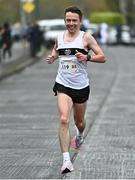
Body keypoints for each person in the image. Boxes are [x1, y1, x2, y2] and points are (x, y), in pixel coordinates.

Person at [46, 6, 106, 174]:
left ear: (80, 21)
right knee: (64, 119)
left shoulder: (86, 37)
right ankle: (66, 160)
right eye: (68, 20)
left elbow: (102, 57)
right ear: (64, 21)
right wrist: (53, 56)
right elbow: (57, 50)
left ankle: (80, 134)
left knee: (79, 121)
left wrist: (87, 57)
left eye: (74, 20)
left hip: (80, 86)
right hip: (63, 83)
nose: (70, 23)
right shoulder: (59, 36)